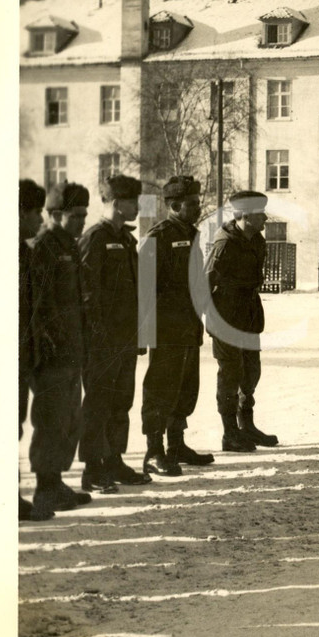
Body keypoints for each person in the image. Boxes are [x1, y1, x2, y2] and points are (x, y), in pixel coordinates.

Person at [78, 175, 152, 493]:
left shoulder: (127, 240)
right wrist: (97, 335)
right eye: (132, 201)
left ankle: (115, 461)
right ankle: (93, 469)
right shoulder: (95, 238)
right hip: (101, 341)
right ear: (116, 203)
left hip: (124, 338)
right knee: (98, 403)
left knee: (121, 402)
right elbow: (84, 292)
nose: (137, 206)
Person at [140, 175, 213, 477]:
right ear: (175, 205)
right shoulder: (157, 237)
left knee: (185, 386)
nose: (198, 208)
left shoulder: (191, 232)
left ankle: (176, 445)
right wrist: (145, 333)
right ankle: (153, 451)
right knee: (161, 387)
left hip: (187, 325)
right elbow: (145, 289)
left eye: (198, 202)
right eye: (193, 203)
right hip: (166, 328)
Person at [28, 182, 93, 518]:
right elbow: (38, 306)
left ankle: (56, 482)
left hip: (72, 349)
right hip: (53, 354)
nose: (82, 221)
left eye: (84, 215)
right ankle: (45, 487)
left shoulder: (69, 244)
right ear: (55, 215)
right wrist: (50, 346)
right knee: (51, 419)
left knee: (69, 418)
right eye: (75, 215)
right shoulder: (44, 248)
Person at [205, 190, 278, 452]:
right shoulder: (224, 243)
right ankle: (229, 433)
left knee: (251, 372)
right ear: (245, 216)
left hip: (248, 313)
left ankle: (247, 426)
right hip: (225, 315)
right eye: (261, 214)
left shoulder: (257, 240)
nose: (265, 219)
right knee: (230, 374)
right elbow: (205, 281)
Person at [19, 179, 49, 520]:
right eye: (35, 212)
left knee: (13, 425)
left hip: (23, 354)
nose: (39, 220)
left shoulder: (25, 252)